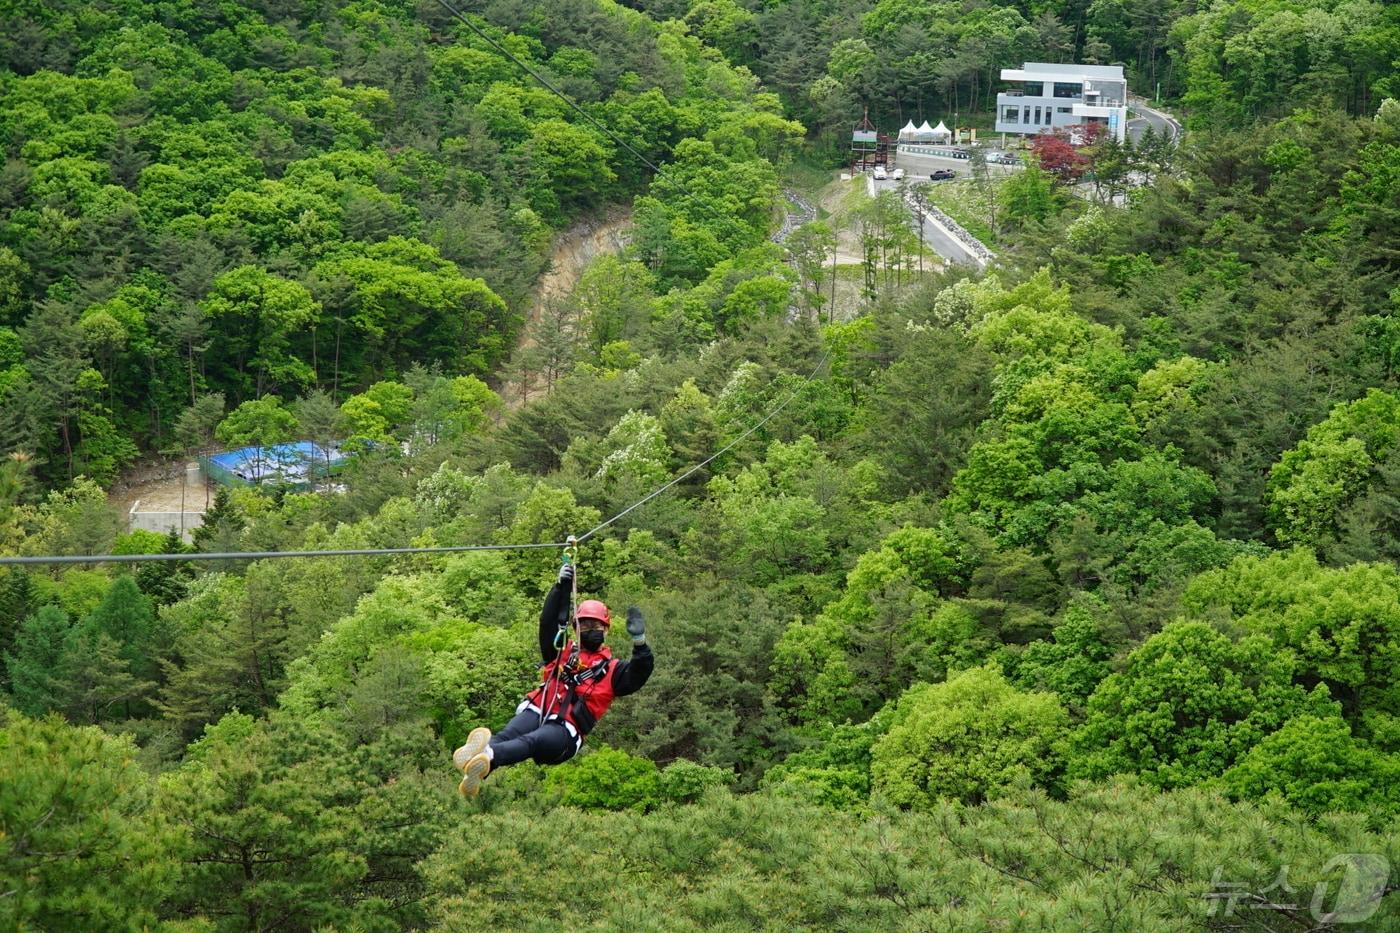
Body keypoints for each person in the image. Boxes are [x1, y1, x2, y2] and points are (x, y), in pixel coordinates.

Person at [454, 562, 653, 796]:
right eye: (584, 624)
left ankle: (487, 755)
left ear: (606, 630)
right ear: (576, 627)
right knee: (506, 736)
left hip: (564, 734)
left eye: (595, 625)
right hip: (540, 709)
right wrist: (560, 588)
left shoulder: (613, 670)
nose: (590, 629)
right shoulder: (561, 651)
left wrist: (640, 642)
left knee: (531, 741)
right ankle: (477, 769)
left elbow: (639, 674)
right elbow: (547, 624)